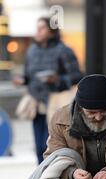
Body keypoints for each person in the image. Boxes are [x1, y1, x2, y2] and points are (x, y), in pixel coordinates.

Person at [13, 16, 83, 164]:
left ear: (51, 31)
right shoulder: (31, 50)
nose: (37, 32)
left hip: (56, 104)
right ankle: (40, 177)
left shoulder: (64, 50)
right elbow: (28, 75)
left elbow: (77, 75)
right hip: (37, 104)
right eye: (37, 28)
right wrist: (22, 80)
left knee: (51, 144)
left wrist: (57, 79)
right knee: (38, 146)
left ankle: (52, 175)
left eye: (41, 28)